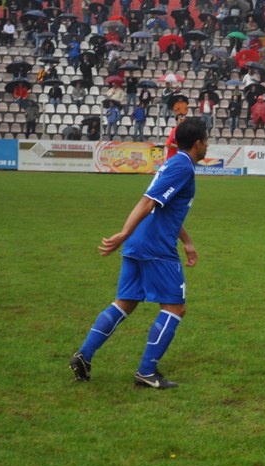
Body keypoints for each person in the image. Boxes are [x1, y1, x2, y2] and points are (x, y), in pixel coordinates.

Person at [69, 117, 209, 389]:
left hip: (140, 242)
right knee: (175, 307)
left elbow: (164, 208)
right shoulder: (182, 166)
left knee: (125, 301)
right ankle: (147, 372)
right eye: (206, 141)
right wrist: (123, 233)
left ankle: (84, 355)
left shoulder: (175, 163)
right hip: (155, 245)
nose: (207, 145)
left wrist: (187, 241)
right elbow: (147, 202)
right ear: (197, 143)